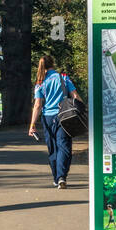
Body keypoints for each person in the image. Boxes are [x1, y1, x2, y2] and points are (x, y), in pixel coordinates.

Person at [27, 54, 79, 189]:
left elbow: (37, 105)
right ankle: (62, 176)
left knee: (53, 148)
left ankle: (57, 177)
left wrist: (32, 125)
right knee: (64, 146)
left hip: (48, 118)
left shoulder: (40, 82)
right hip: (64, 115)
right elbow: (75, 96)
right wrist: (83, 111)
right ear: (53, 63)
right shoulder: (64, 77)